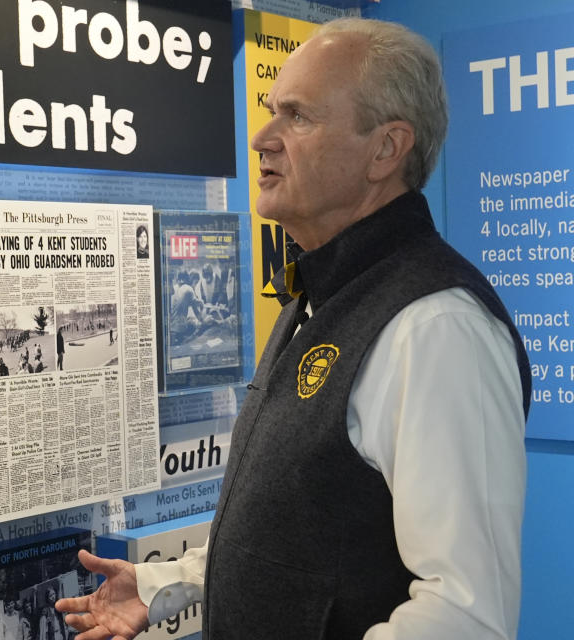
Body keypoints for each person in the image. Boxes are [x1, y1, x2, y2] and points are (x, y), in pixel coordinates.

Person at [57, 17, 530, 640]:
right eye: (271, 111)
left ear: (385, 149)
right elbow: (310, 535)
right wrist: (165, 583)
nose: (262, 138)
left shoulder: (437, 328)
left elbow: (465, 614)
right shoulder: (321, 295)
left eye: (299, 117)